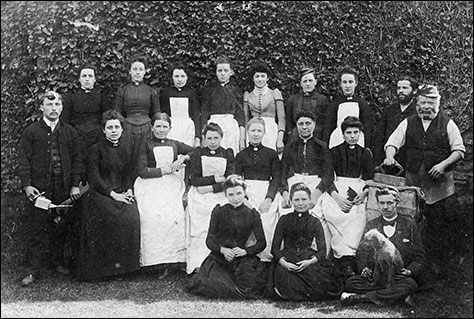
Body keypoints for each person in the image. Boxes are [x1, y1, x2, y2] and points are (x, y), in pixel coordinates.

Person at [383, 84, 466, 273]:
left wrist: (442, 165)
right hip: (413, 184)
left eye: (430, 102)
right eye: (422, 102)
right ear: (417, 103)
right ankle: (413, 266)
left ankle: (438, 268)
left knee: (438, 228)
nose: (426, 106)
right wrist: (390, 156)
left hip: (440, 188)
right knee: (413, 225)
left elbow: (459, 150)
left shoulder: (447, 123)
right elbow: (392, 142)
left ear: (438, 103)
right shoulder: (408, 122)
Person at [17, 91, 83, 286]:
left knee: (60, 226)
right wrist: (27, 185)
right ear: (41, 107)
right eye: (49, 105)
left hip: (63, 188)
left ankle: (57, 262)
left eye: (57, 105)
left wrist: (74, 186)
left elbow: (78, 160)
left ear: (62, 108)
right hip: (39, 189)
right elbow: (23, 160)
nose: (54, 109)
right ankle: (31, 270)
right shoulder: (31, 132)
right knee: (36, 229)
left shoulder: (70, 132)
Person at [75, 110, 140, 281]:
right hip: (100, 194)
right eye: (109, 127)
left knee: (131, 216)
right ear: (103, 130)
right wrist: (113, 195)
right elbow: (94, 178)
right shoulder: (95, 150)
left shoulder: (126, 148)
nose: (113, 130)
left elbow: (127, 174)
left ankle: (124, 269)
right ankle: (103, 270)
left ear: (121, 130)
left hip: (120, 191)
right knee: (110, 217)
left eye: (116, 127)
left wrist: (129, 191)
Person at [341, 187, 427, 306]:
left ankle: (361, 297)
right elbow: (362, 252)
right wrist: (364, 268)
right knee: (351, 282)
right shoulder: (372, 224)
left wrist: (410, 271)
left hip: (397, 276)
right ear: (377, 204)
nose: (385, 207)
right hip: (375, 276)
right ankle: (397, 297)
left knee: (410, 284)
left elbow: (420, 256)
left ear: (397, 203)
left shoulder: (409, 224)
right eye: (382, 203)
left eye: (389, 203)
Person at [187, 174, 268, 299]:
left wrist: (245, 251)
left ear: (245, 192)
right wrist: (223, 250)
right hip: (221, 257)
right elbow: (210, 240)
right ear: (225, 195)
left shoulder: (252, 214)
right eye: (231, 194)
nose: (235, 198)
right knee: (210, 283)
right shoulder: (219, 211)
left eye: (239, 193)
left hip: (241, 257)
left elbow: (262, 243)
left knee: (249, 287)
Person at [134, 112, 194, 278]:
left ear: (170, 128)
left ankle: (174, 260)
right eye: (158, 126)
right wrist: (163, 170)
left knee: (174, 216)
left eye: (164, 127)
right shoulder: (144, 144)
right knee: (153, 219)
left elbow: (196, 151)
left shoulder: (174, 143)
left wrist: (183, 158)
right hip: (150, 186)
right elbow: (141, 170)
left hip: (171, 186)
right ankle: (155, 263)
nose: (161, 130)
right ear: (152, 128)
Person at [265, 182, 342, 301]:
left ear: (310, 199)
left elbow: (322, 250)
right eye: (296, 200)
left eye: (304, 199)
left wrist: (309, 262)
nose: (300, 203)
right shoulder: (284, 220)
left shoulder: (315, 221)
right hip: (288, 259)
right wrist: (284, 263)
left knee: (321, 281)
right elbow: (275, 248)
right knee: (285, 278)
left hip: (307, 259)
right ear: (291, 200)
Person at [320, 116, 374, 280]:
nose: (352, 136)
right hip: (337, 189)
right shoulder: (334, 151)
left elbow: (369, 178)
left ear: (360, 134)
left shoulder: (365, 153)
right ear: (343, 134)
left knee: (357, 216)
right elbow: (328, 177)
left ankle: (350, 259)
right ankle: (340, 259)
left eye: (355, 132)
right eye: (348, 132)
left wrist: (364, 193)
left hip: (358, 189)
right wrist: (337, 198)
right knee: (336, 214)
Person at [185, 122, 235, 274]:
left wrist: (210, 187)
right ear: (204, 139)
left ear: (221, 138)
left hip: (220, 193)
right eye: (209, 138)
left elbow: (230, 180)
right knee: (201, 222)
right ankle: (198, 262)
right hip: (200, 194)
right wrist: (214, 178)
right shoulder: (198, 153)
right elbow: (195, 180)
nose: (213, 142)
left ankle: (221, 263)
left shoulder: (227, 153)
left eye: (216, 138)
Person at [235, 117, 281, 262]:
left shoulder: (271, 154)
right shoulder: (241, 155)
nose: (256, 134)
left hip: (266, 192)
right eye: (253, 130)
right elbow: (237, 179)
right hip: (246, 193)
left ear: (264, 133)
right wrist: (244, 199)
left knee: (266, 221)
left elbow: (276, 179)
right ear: (247, 132)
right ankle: (247, 257)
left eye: (259, 131)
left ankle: (265, 259)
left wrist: (269, 198)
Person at [280, 109, 335, 222]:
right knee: (287, 213)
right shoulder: (290, 146)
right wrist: (285, 194)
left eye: (308, 123)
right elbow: (282, 172)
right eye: (301, 124)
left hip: (316, 186)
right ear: (296, 125)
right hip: (294, 183)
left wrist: (315, 196)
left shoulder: (322, 146)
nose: (304, 127)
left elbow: (328, 175)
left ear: (314, 124)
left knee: (317, 215)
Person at [61, 63, 111, 180]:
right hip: (78, 136)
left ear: (94, 79)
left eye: (90, 76)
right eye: (84, 76)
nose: (87, 79)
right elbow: (65, 121)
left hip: (98, 136)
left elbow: (107, 118)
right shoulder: (72, 98)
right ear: (79, 79)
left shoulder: (101, 97)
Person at [114, 53, 161, 176]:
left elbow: (157, 114)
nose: (138, 72)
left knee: (145, 157)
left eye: (141, 69)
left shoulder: (151, 91)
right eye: (135, 69)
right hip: (128, 129)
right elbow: (117, 113)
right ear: (130, 71)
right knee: (127, 158)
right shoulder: (123, 90)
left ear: (145, 72)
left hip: (146, 128)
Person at [200, 55, 245, 155]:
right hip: (213, 126)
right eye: (220, 71)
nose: (223, 74)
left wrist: (242, 138)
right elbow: (204, 112)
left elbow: (240, 114)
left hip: (231, 127)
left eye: (226, 70)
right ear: (216, 72)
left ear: (231, 72)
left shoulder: (236, 89)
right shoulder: (209, 89)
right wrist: (203, 135)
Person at [323, 66, 373, 150]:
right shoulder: (334, 105)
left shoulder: (362, 105)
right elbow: (328, 128)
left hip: (358, 144)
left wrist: (367, 148)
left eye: (350, 82)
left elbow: (368, 129)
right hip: (338, 143)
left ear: (356, 83)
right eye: (344, 82)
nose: (347, 86)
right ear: (340, 84)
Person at [373, 75, 418, 167]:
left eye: (405, 88)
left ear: (414, 91)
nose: (401, 91)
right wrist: (378, 161)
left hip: (409, 162)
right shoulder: (390, 110)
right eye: (399, 88)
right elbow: (379, 136)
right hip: (387, 160)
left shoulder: (418, 112)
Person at [243, 61, 285, 154]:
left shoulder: (275, 93)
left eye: (263, 76)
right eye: (257, 76)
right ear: (253, 79)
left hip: (271, 131)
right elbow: (245, 118)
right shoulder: (248, 95)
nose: (260, 79)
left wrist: (280, 139)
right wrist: (244, 138)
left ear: (267, 78)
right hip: (253, 130)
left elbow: (282, 118)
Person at [160, 62, 201, 148]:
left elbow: (196, 116)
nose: (179, 79)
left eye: (182, 76)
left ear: (187, 77)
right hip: (172, 128)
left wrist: (198, 136)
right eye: (176, 76)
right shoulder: (166, 93)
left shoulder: (192, 93)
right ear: (172, 77)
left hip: (187, 128)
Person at [285, 66, 329, 142]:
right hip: (296, 137)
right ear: (301, 83)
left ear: (315, 82)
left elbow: (324, 121)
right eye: (305, 81)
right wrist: (291, 133)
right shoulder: (293, 99)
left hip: (317, 137)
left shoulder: (322, 99)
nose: (308, 84)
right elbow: (289, 121)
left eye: (310, 80)